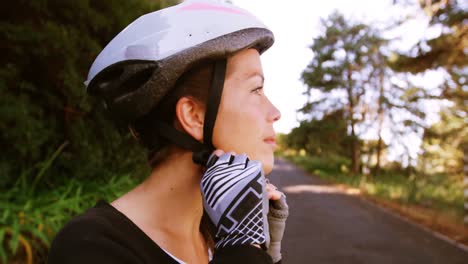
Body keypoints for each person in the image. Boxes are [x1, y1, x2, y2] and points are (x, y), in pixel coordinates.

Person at [47, 0, 288, 263]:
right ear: (193, 117)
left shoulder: (216, 239)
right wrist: (243, 250)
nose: (275, 112)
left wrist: (263, 253)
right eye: (256, 89)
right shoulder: (90, 246)